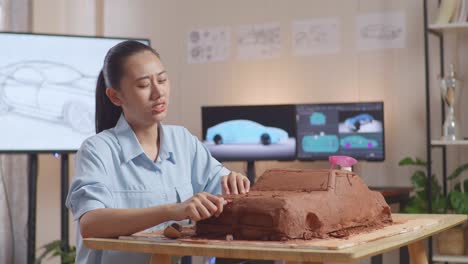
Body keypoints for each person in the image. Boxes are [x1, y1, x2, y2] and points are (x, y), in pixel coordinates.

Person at [66, 40, 250, 264]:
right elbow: (91, 224)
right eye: (144, 85)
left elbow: (221, 191)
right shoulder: (97, 149)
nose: (158, 92)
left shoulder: (183, 141)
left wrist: (233, 183)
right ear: (115, 96)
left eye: (162, 80)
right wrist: (171, 211)